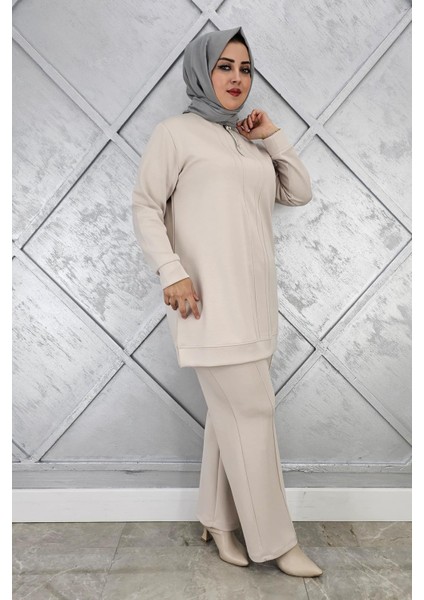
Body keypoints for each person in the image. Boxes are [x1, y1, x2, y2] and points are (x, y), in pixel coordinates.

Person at [132, 26, 323, 577]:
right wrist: (172, 272)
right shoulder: (175, 134)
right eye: (225, 67)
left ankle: (217, 519)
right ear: (202, 71)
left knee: (230, 415)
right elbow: (145, 205)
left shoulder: (246, 140)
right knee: (253, 412)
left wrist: (271, 135)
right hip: (206, 304)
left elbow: (298, 191)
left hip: (256, 304)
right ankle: (277, 543)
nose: (237, 78)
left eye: (245, 68)